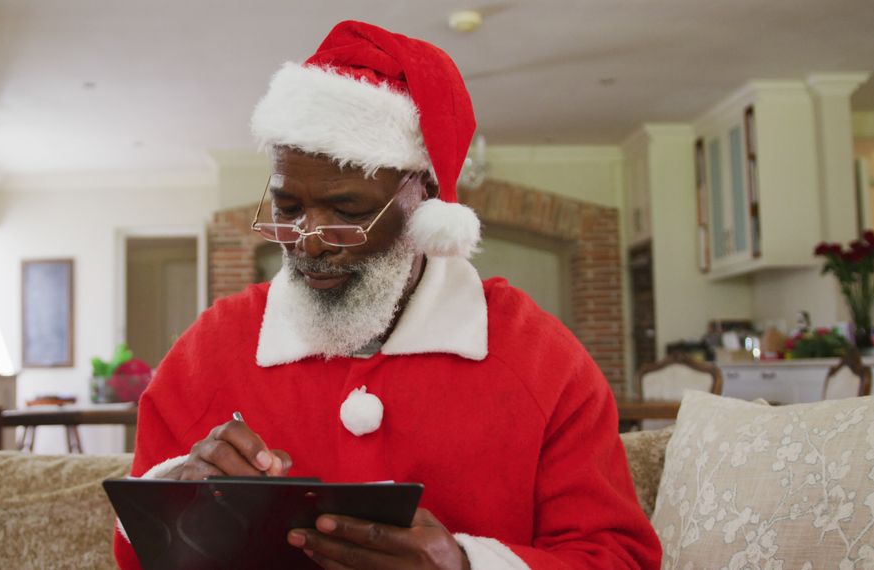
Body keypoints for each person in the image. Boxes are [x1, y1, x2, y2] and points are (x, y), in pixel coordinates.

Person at [114, 20, 661, 570]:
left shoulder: (541, 359)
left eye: (348, 211)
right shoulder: (210, 350)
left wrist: (466, 566)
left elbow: (619, 558)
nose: (311, 241)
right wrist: (175, 497)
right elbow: (134, 550)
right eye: (287, 209)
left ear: (424, 199)